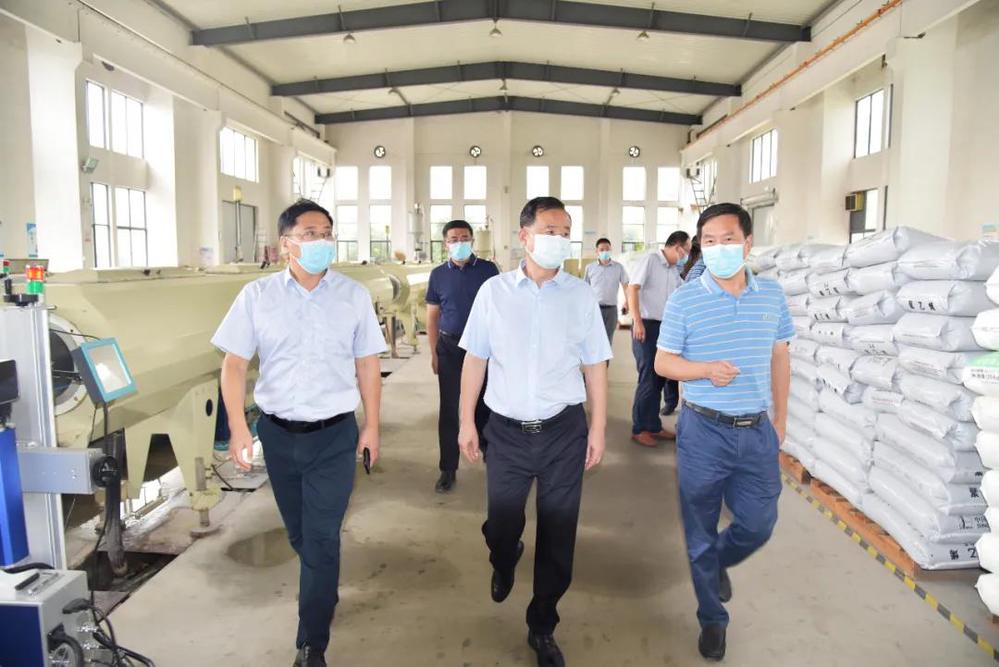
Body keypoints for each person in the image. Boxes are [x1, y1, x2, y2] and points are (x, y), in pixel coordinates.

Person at [212, 199, 387, 667]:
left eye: (326, 233)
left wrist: (371, 426)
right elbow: (233, 364)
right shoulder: (257, 296)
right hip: (279, 435)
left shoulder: (352, 296)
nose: (321, 241)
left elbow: (368, 364)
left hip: (334, 436)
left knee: (323, 537)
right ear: (286, 243)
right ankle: (323, 586)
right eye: (310, 234)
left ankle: (312, 643)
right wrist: (237, 428)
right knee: (303, 536)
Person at [457, 197, 611, 667]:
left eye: (565, 231)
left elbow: (595, 365)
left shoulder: (580, 295)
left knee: (559, 536)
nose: (559, 239)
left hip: (563, 431)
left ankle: (542, 624)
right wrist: (466, 420)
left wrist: (598, 427)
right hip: (505, 432)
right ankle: (504, 558)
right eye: (549, 230)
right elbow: (475, 359)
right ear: (524, 236)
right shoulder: (494, 293)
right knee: (503, 524)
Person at [654, 203, 792, 661]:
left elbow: (780, 357)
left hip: (756, 429)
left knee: (758, 523)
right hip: (703, 431)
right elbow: (664, 362)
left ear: (748, 244)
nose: (718, 248)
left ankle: (717, 561)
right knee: (699, 529)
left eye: (728, 239)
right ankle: (712, 619)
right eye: (708, 241)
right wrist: (705, 370)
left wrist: (780, 419)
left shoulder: (771, 295)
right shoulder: (685, 299)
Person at [425, 220, 500, 493]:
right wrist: (434, 351)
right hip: (450, 347)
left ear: (472, 241)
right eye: (454, 239)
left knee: (485, 404)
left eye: (465, 238)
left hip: (482, 348)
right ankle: (448, 468)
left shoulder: (488, 270)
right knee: (449, 409)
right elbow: (432, 316)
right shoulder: (438, 275)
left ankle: (491, 456)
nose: (460, 243)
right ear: (445, 243)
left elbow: (499, 310)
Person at [626, 230, 689, 447]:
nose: (686, 256)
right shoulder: (651, 260)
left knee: (660, 378)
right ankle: (639, 428)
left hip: (665, 328)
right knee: (648, 378)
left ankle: (653, 426)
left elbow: (683, 293)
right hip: (646, 326)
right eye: (686, 251)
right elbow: (633, 288)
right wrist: (637, 321)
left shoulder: (673, 271)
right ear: (677, 247)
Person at [583, 237, 629, 346]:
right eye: (602, 250)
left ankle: (605, 358)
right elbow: (585, 289)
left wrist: (627, 302)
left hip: (611, 310)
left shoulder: (618, 267)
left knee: (607, 342)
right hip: (595, 309)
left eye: (607, 249)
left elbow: (626, 286)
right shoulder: (590, 268)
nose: (605, 252)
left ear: (611, 249)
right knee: (593, 341)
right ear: (596, 251)